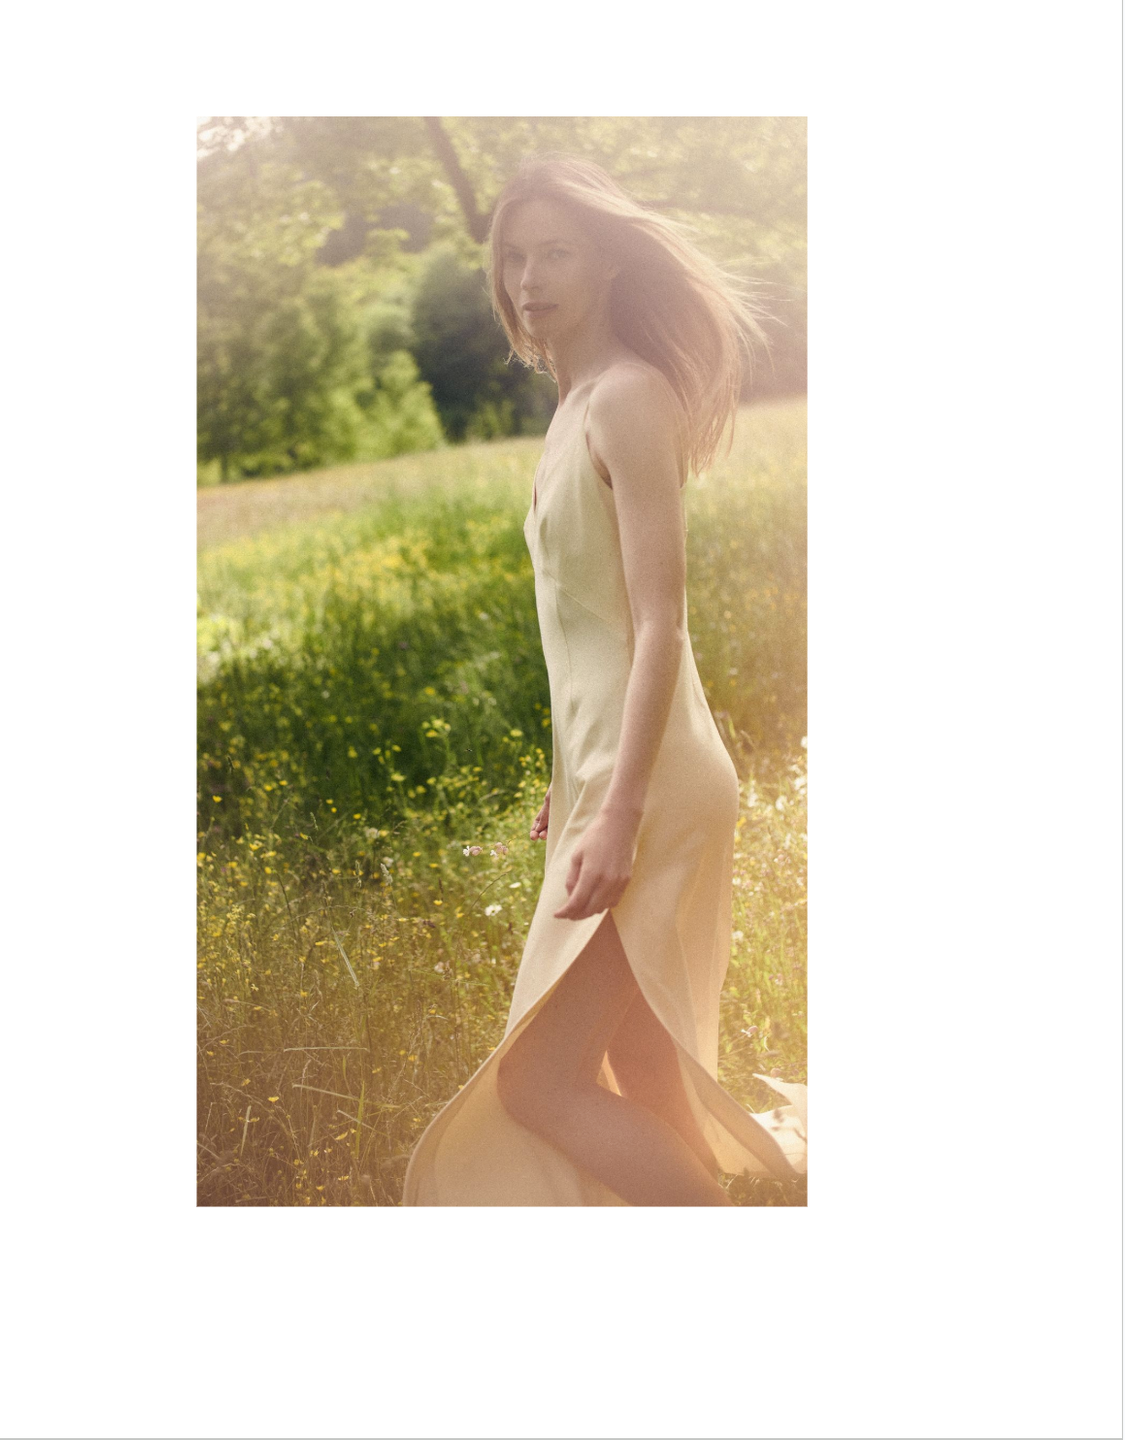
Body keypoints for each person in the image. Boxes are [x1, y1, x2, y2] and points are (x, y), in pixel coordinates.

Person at [401, 154, 804, 1206]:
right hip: (613, 774)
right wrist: (570, 783)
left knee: (539, 1082)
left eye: (558, 253)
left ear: (610, 264)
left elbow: (660, 622)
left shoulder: (627, 397)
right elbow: (583, 636)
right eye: (514, 256)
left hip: (655, 785)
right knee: (642, 1074)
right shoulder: (575, 403)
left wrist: (620, 808)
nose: (530, 278)